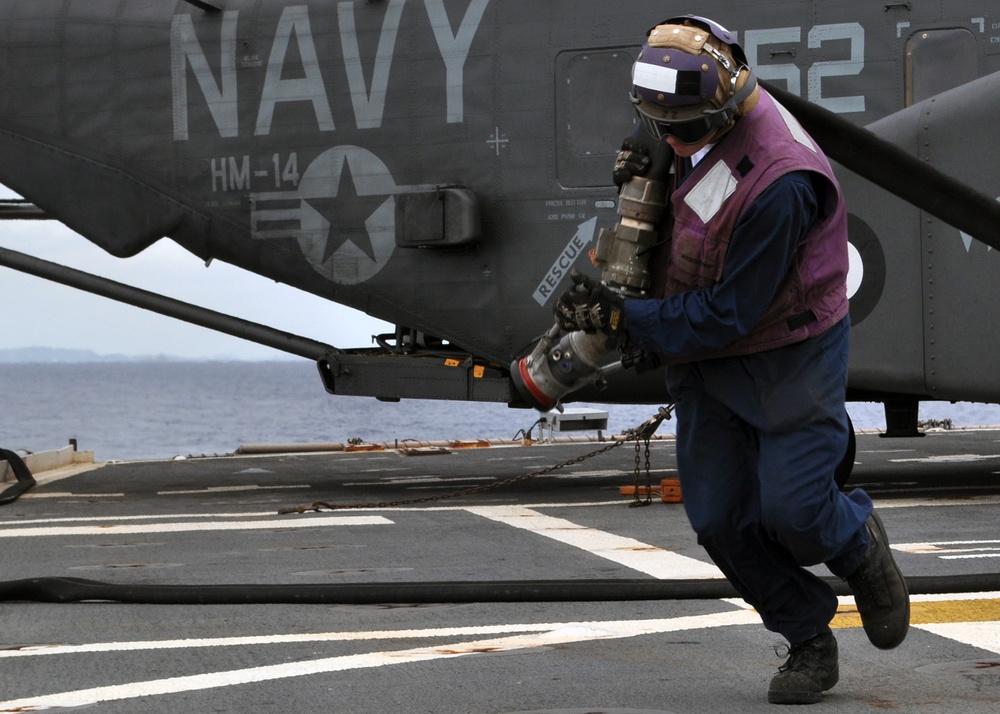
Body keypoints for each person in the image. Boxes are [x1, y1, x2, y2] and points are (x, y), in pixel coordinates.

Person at [555, 15, 910, 706]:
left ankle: (858, 544)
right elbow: (692, 215)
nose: (668, 140)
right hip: (707, 358)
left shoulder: (781, 183)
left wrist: (625, 319)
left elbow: (730, 314)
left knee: (798, 512)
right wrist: (641, 175)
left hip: (787, 351)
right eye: (659, 127)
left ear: (723, 110)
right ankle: (806, 634)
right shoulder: (682, 124)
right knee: (719, 520)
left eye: (681, 131)